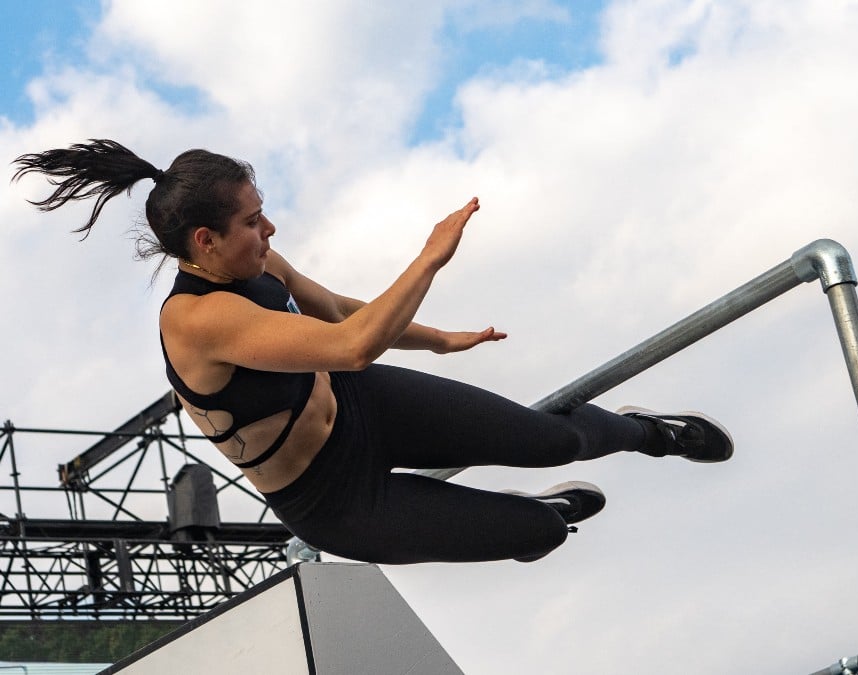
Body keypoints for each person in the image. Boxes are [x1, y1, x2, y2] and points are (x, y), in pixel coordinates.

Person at [11, 139, 733, 565]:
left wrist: (439, 339)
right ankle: (530, 519)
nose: (268, 228)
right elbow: (352, 345)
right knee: (538, 533)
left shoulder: (251, 261)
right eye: (253, 220)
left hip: (365, 405)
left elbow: (337, 311)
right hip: (335, 496)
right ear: (205, 241)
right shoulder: (197, 322)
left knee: (557, 439)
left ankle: (649, 431)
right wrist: (430, 256)